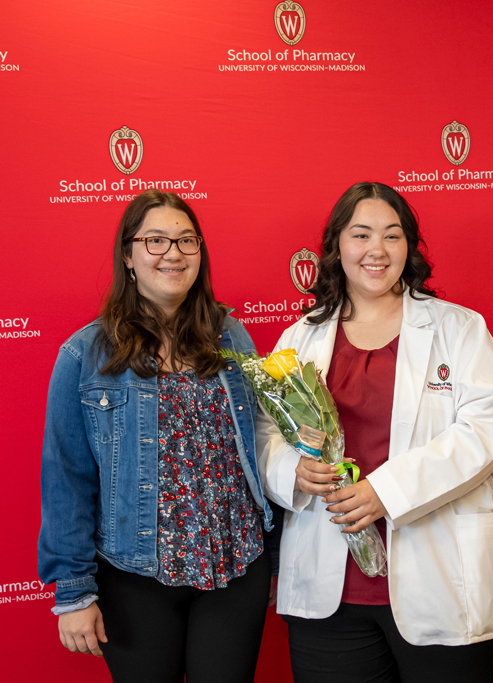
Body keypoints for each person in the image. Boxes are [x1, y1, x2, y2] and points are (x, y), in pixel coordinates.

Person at [257, 182, 493, 683]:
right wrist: (292, 469)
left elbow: (487, 428)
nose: (376, 250)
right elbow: (265, 429)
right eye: (361, 235)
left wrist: (387, 491)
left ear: (410, 247)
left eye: (392, 235)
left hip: (441, 579)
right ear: (337, 246)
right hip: (329, 592)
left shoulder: (458, 329)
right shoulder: (301, 335)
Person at [38, 189, 274, 683]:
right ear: (128, 255)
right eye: (155, 240)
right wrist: (74, 592)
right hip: (134, 575)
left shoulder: (231, 336)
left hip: (235, 567)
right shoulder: (85, 356)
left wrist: (276, 555)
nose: (173, 253)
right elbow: (66, 478)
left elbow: (259, 446)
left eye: (187, 241)